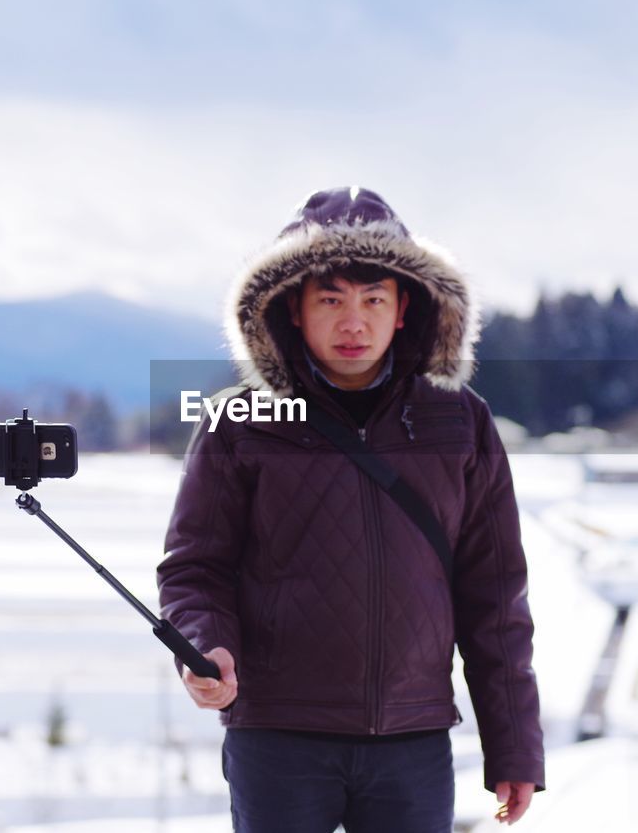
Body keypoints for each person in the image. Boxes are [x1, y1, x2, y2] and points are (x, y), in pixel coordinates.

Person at [157, 187, 544, 832]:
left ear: (404, 310)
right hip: (278, 736)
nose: (353, 322)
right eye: (331, 300)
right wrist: (208, 646)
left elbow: (494, 593)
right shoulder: (242, 419)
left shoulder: (460, 420)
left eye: (373, 300)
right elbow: (195, 568)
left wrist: (514, 746)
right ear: (292, 311)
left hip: (412, 738)